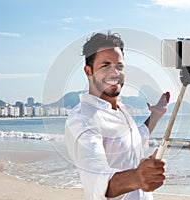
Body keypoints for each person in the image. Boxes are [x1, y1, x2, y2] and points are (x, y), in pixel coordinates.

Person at [65, 31, 170, 200]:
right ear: (88, 71)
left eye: (119, 66)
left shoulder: (121, 109)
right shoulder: (83, 119)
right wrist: (137, 177)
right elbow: (98, 182)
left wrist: (156, 115)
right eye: (105, 65)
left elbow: (134, 138)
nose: (114, 73)